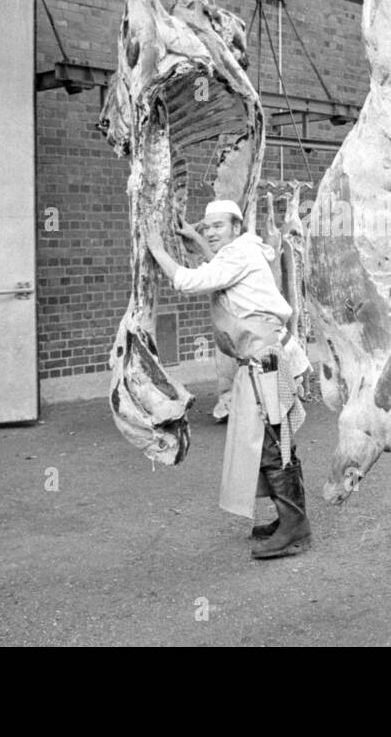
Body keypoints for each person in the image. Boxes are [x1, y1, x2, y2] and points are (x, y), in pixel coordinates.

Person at [145, 199, 313, 560]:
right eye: (207, 227)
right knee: (276, 440)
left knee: (272, 445)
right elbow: (219, 266)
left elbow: (190, 281)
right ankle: (292, 520)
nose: (210, 232)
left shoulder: (239, 255)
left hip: (265, 361)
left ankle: (294, 528)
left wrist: (158, 250)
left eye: (218, 226)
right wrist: (198, 241)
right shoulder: (240, 251)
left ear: (236, 228)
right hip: (264, 359)